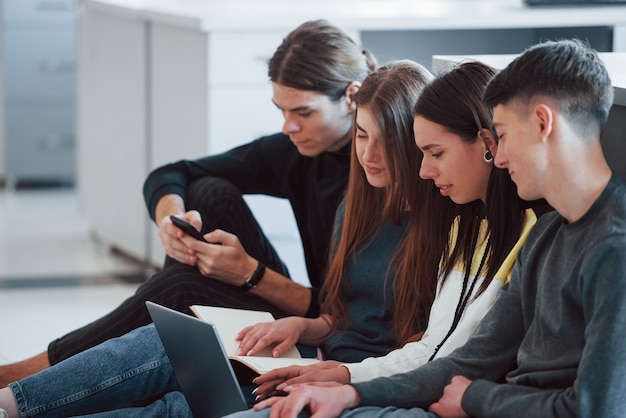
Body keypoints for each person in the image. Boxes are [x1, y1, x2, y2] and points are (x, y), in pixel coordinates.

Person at [0, 60, 442, 417]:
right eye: (362, 136)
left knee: (181, 398)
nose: (367, 154)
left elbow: (419, 349)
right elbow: (338, 310)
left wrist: (335, 372)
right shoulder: (359, 201)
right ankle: (11, 402)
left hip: (350, 372)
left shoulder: (442, 223)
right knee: (161, 342)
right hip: (317, 344)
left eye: (385, 140)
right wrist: (303, 326)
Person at [244, 39, 626, 418]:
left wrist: (477, 398)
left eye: (503, 136)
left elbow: (593, 407)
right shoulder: (545, 237)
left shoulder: (612, 248)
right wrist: (350, 391)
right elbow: (468, 361)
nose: (500, 156)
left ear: (542, 123)